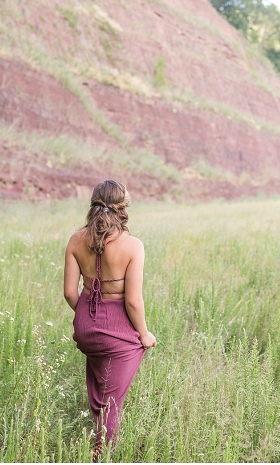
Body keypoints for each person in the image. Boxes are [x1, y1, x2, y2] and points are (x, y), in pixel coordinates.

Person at [64, 180, 157, 460]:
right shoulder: (132, 246)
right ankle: (102, 453)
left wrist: (88, 318)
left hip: (85, 327)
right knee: (111, 404)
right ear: (124, 207)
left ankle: (101, 432)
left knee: (102, 387)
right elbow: (132, 301)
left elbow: (70, 292)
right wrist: (144, 334)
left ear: (93, 204)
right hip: (116, 331)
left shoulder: (76, 240)